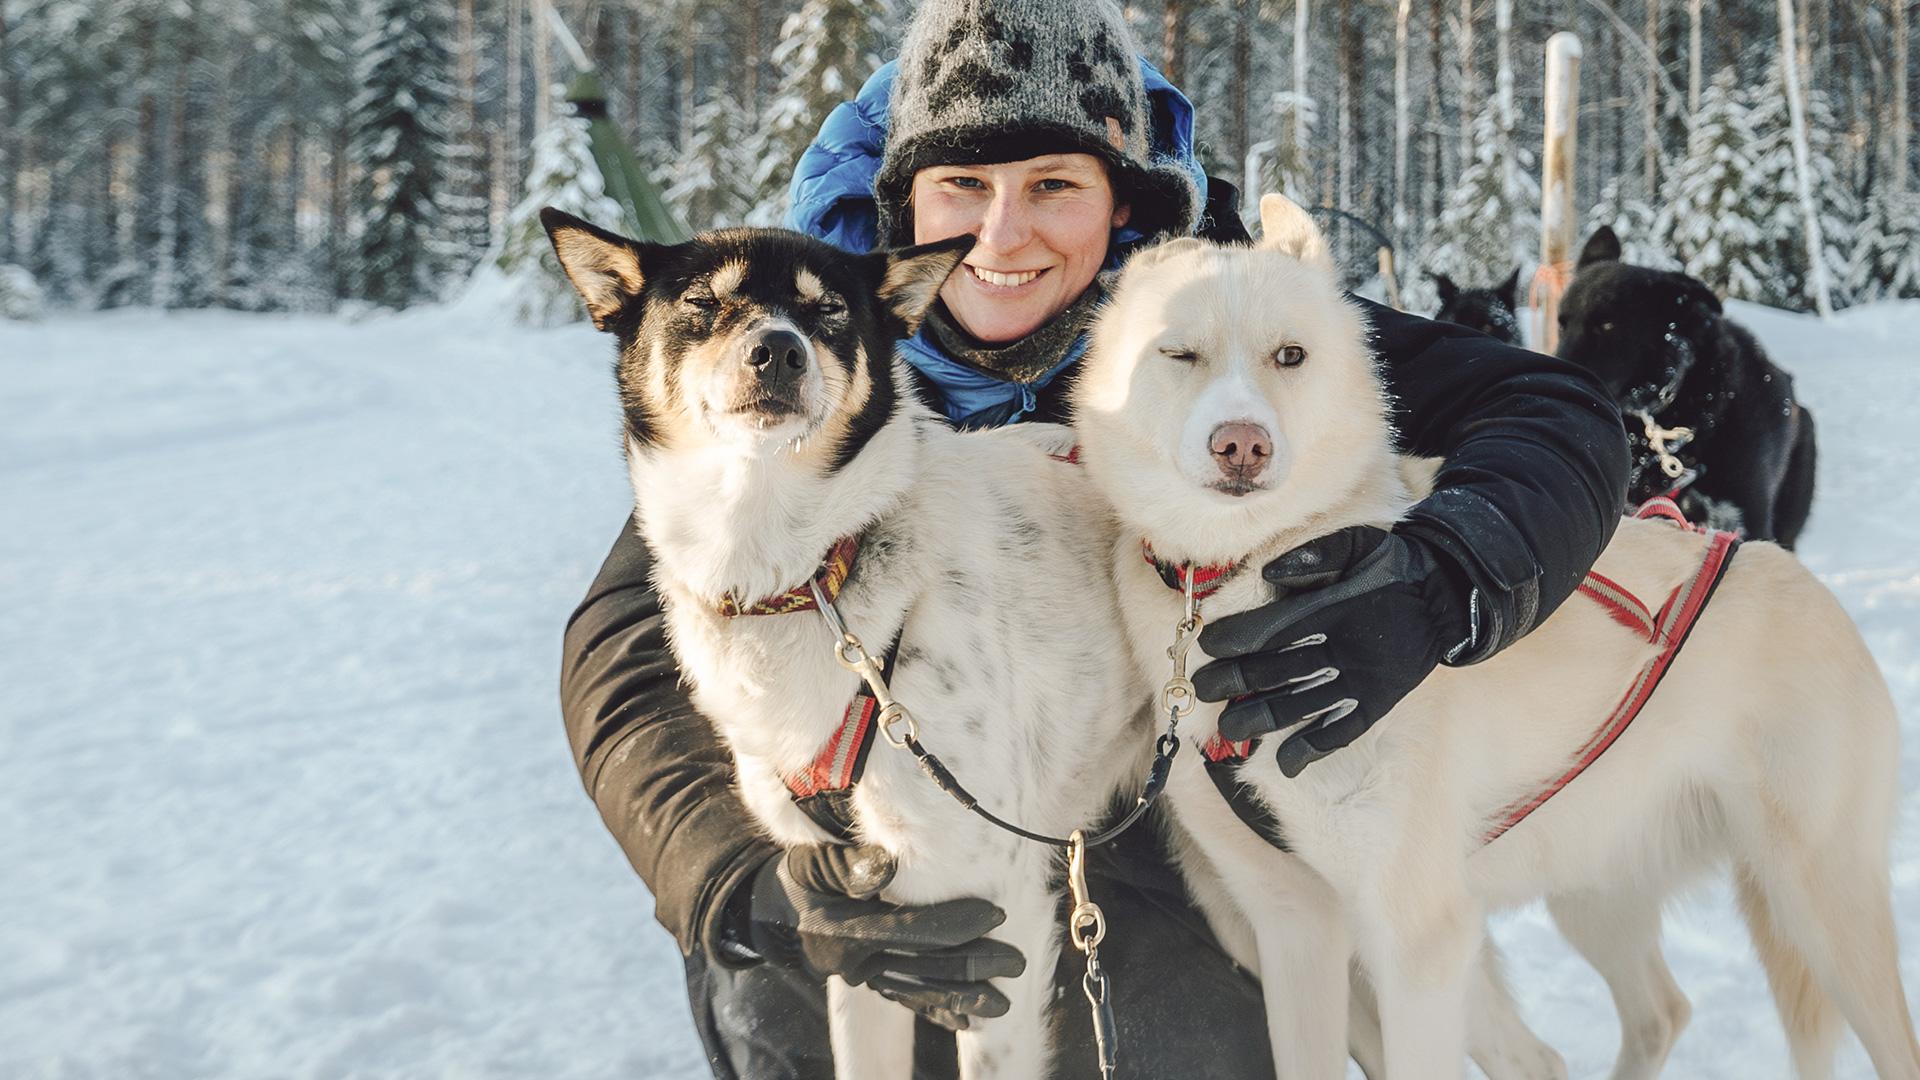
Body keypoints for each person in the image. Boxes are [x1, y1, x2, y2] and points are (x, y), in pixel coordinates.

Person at [559, 1, 1630, 1076]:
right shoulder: (816, 353)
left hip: (1154, 801)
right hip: (876, 811)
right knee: (784, 989)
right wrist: (734, 883)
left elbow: (1554, 415)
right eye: (963, 187)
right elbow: (622, 657)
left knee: (1187, 1045)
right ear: (908, 206)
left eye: (1053, 187)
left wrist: (1444, 579)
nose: (1000, 234)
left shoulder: (1218, 324)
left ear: (1122, 200)